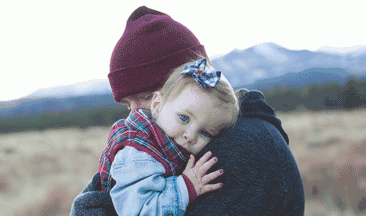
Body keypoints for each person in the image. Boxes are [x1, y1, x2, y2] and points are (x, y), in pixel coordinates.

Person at [71, 5, 305, 216]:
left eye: (143, 98)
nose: (134, 115)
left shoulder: (243, 149)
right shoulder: (163, 145)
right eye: (127, 105)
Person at [99, 57, 239, 215]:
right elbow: (140, 212)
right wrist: (185, 187)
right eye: (184, 118)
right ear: (157, 105)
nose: (190, 136)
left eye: (205, 133)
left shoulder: (166, 144)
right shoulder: (138, 154)